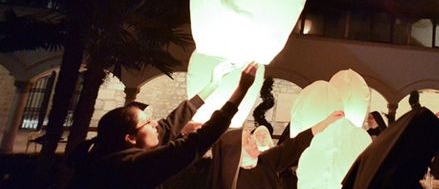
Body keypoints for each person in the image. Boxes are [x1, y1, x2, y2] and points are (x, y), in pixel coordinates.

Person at [68, 63, 258, 189]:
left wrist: (213, 83)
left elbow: (170, 124)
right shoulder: (129, 168)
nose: (155, 123)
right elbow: (194, 145)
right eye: (148, 123)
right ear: (131, 138)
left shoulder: (109, 153)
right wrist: (241, 90)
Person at [208, 111, 344, 189]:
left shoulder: (264, 160)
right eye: (247, 141)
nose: (253, 141)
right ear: (235, 153)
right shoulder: (234, 183)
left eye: (250, 137)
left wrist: (326, 123)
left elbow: (294, 146)